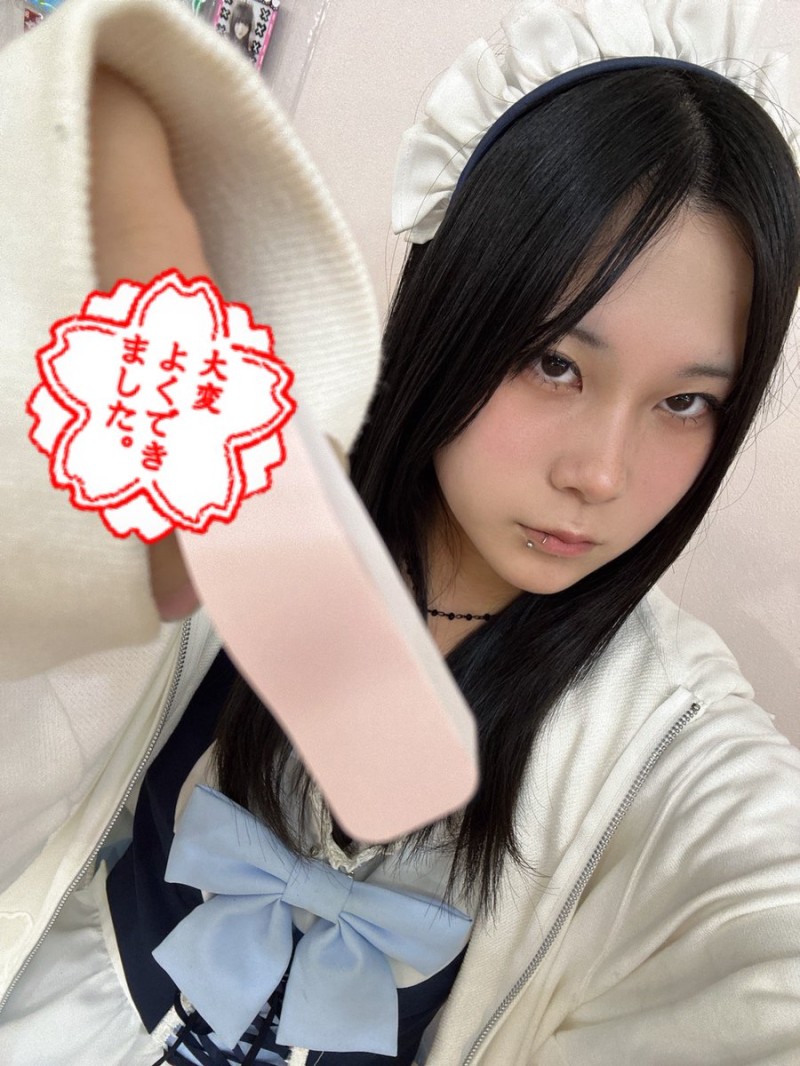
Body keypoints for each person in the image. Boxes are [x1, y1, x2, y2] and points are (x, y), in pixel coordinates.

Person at [1, 0, 799, 1064]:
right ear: (453, 303)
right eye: (555, 363)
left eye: (684, 402)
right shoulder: (255, 502)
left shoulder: (668, 734)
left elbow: (763, 929)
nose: (600, 474)